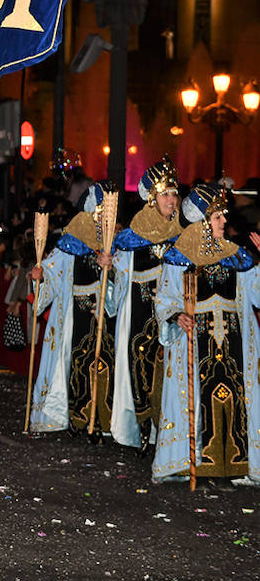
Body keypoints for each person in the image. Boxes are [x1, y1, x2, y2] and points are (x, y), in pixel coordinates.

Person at [154, 185, 260, 483]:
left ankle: (238, 465)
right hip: (196, 341)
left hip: (235, 341)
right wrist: (177, 317)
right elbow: (165, 299)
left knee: (236, 397)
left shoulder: (237, 256)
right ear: (202, 221)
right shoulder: (179, 256)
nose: (224, 222)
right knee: (199, 399)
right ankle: (195, 462)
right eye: (217, 217)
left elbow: (257, 296)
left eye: (223, 216)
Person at [28, 183, 125, 443]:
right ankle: (77, 417)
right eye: (101, 212)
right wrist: (40, 276)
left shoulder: (112, 243)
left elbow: (124, 278)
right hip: (76, 316)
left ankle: (102, 420)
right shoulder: (71, 243)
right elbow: (51, 270)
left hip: (104, 313)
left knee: (104, 364)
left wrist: (111, 268)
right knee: (80, 366)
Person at [108, 158, 182, 451]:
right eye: (165, 194)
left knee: (168, 369)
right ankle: (142, 427)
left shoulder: (183, 238)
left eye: (174, 194)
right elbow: (120, 277)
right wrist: (109, 267)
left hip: (172, 317)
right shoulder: (131, 238)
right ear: (152, 199)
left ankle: (165, 431)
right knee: (141, 365)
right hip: (139, 314)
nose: (172, 200)